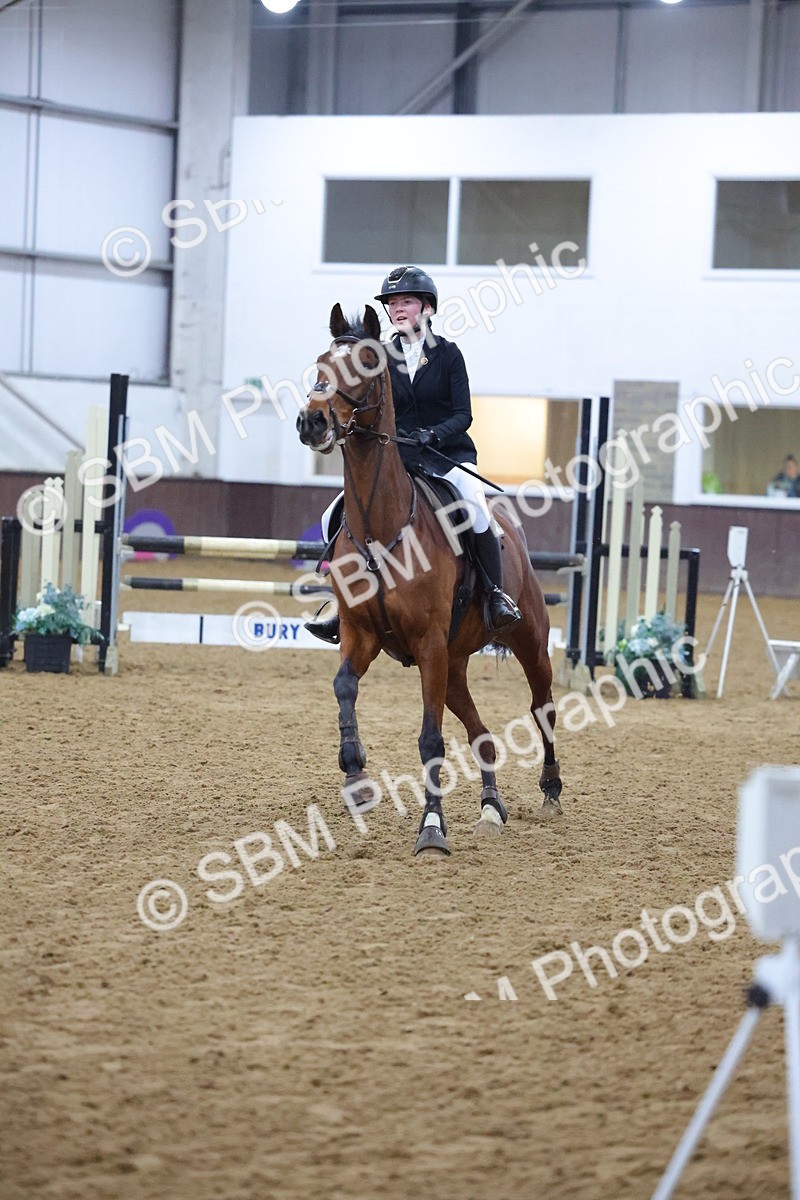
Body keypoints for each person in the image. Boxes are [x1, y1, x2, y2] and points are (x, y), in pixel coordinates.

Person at [306, 264, 521, 643]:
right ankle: (343, 604)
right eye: (392, 304)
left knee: (475, 508)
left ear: (428, 309)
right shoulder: (380, 357)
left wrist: (432, 434)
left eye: (407, 302)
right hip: (398, 459)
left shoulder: (449, 355)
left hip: (447, 457)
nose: (398, 309)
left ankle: (494, 596)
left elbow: (463, 415)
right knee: (332, 516)